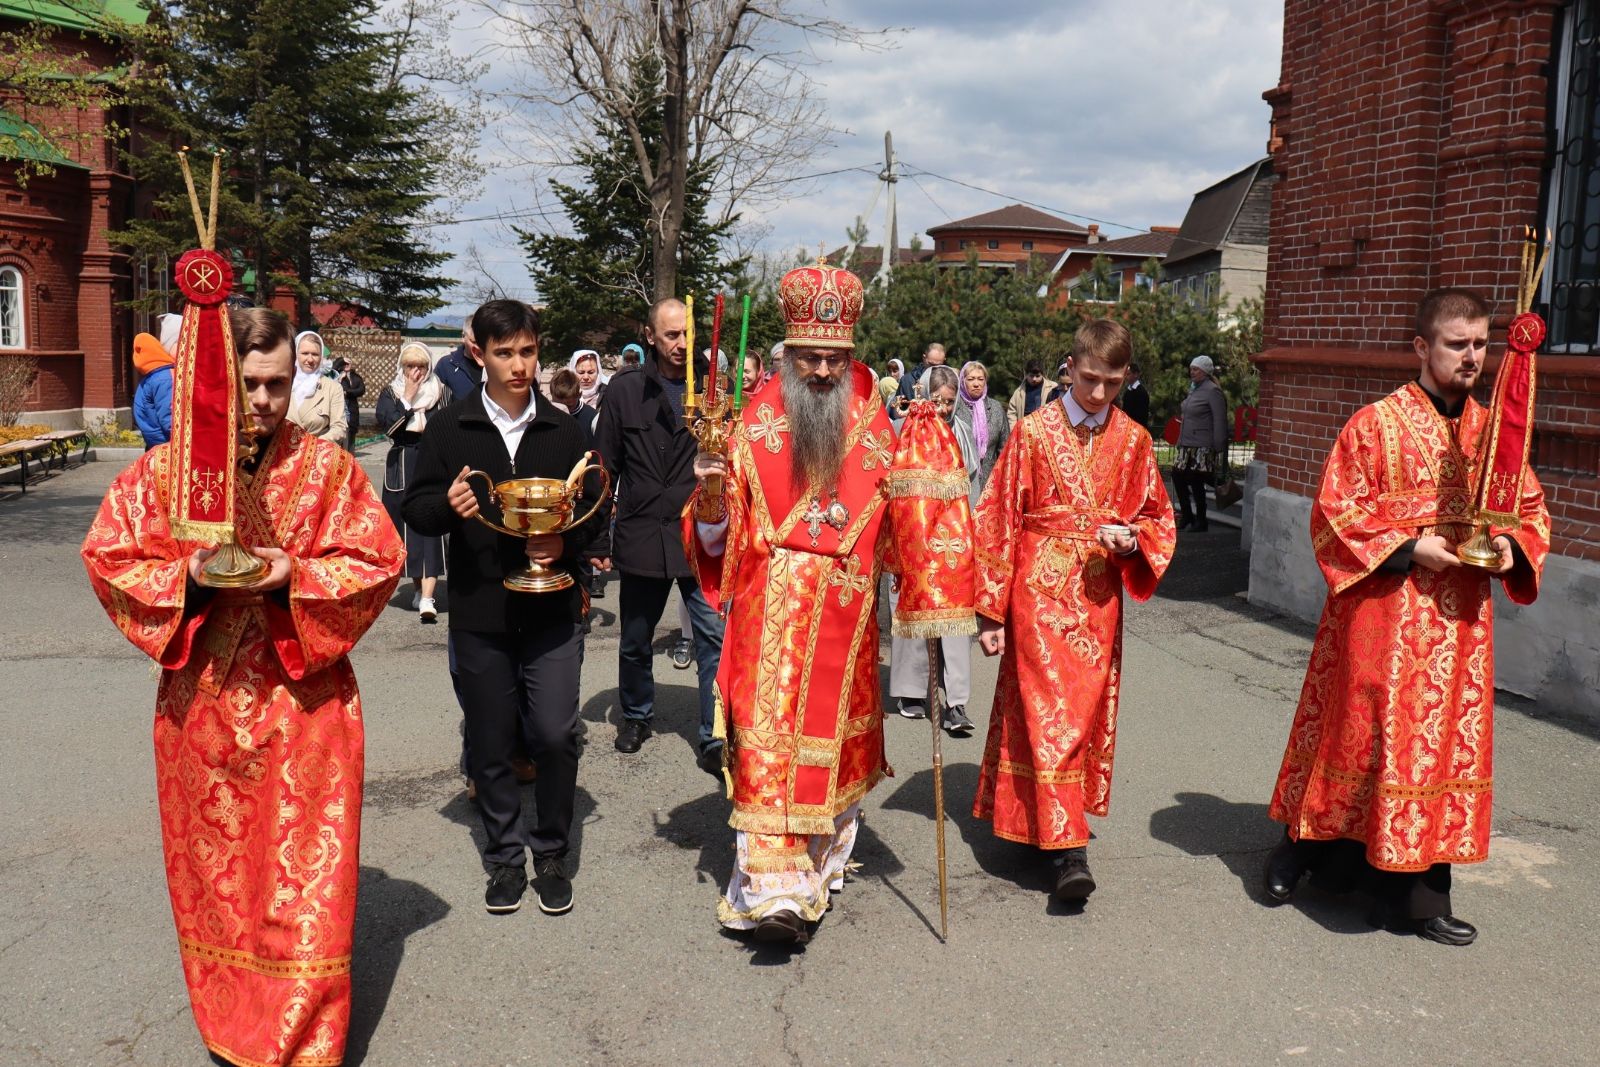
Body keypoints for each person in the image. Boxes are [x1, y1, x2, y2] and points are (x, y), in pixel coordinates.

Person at [82, 305, 403, 1067]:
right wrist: (185, 577)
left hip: (307, 708)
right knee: (221, 884)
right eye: (250, 384)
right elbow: (107, 554)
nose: (263, 400)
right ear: (218, 382)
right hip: (202, 706)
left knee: (303, 884)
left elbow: (379, 559)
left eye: (278, 384)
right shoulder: (167, 472)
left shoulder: (326, 469)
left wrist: (301, 573)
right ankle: (233, 1023)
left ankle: (305, 1039)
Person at [683, 261, 970, 943]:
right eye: (807, 357)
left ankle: (808, 874)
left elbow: (909, 522)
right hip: (766, 613)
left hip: (844, 618)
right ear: (787, 354)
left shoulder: (877, 421)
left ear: (850, 354)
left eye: (831, 359)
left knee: (825, 755)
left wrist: (929, 587)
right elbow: (715, 538)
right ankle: (774, 894)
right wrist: (714, 498)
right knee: (767, 749)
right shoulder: (751, 423)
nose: (818, 371)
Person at [1261, 287, 1549, 946]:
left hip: (1457, 630)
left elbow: (1529, 509)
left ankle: (1420, 898)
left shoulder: (1493, 433)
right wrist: (1409, 546)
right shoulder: (1376, 423)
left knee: (1435, 756)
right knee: (1354, 741)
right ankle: (1299, 850)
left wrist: (1510, 548)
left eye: (1481, 343)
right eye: (1458, 344)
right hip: (1381, 617)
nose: (1473, 357)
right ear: (1423, 347)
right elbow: (1334, 511)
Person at [402, 299, 607, 916]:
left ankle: (550, 850)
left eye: (528, 351)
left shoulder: (564, 427)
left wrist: (563, 542)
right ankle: (503, 859)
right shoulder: (449, 427)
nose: (519, 366)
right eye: (504, 353)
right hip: (479, 611)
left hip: (551, 611)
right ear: (478, 354)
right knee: (491, 741)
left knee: (553, 734)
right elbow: (416, 507)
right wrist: (450, 505)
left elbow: (594, 503)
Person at [973, 318, 1176, 904]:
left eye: (1113, 383)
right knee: (1045, 714)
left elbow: (1158, 517)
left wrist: (1133, 540)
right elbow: (998, 519)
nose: (1098, 394)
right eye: (1090, 379)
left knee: (1080, 717)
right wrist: (990, 611)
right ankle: (1069, 851)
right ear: (1071, 366)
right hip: (1036, 597)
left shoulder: (1135, 441)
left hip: (1096, 600)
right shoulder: (1032, 433)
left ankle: (1041, 824)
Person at [593, 298, 725, 774]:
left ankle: (714, 735)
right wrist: (596, 540)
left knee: (713, 636)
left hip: (700, 534)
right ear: (651, 337)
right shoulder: (626, 391)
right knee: (635, 636)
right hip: (643, 529)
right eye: (671, 335)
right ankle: (636, 715)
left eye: (687, 333)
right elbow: (604, 468)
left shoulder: (715, 388)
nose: (681, 344)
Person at [888, 364, 981, 735]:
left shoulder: (960, 432)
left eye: (948, 403)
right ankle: (911, 693)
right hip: (912, 539)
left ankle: (956, 701)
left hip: (952, 544)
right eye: (937, 401)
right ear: (924, 394)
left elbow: (971, 484)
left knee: (956, 624)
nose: (942, 410)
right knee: (909, 614)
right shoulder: (901, 429)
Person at [376, 342, 452, 623]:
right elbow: (391, 429)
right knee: (406, 530)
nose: (415, 372)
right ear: (402, 367)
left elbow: (448, 428)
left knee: (430, 525)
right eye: (410, 366)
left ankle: (429, 597)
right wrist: (407, 401)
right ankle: (419, 588)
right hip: (402, 463)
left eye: (420, 366)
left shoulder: (442, 392)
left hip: (430, 461)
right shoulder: (391, 393)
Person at [1172, 354, 1229, 532]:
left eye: (1196, 369)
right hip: (1187, 444)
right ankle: (1188, 514)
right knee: (1177, 475)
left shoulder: (1212, 391)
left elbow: (1219, 420)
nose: (1192, 372)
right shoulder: (1194, 389)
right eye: (1191, 368)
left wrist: (1219, 446)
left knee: (1196, 480)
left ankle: (1201, 520)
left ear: (1205, 371)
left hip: (1202, 445)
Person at [953, 359, 1009, 486]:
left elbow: (1004, 448)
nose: (976, 384)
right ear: (962, 381)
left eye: (980, 379)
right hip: (961, 479)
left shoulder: (995, 408)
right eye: (971, 379)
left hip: (990, 480)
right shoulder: (955, 408)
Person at [288, 330, 347, 443]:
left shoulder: (333, 388)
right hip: (282, 455)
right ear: (295, 354)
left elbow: (339, 427)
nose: (310, 359)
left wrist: (314, 445)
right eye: (305, 353)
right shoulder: (282, 384)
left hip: (316, 454)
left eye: (315, 354)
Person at [131, 322, 176, 449]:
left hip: (154, 441)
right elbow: (169, 416)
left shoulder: (150, 378)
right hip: (167, 442)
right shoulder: (164, 378)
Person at [435, 320, 482, 399]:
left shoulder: (494, 365)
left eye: (483, 341)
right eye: (474, 342)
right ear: (463, 337)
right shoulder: (446, 365)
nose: (478, 347)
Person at [1006, 359, 1056, 424]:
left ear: (1042, 374)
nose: (1034, 379)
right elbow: (1011, 414)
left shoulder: (1053, 388)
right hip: (1024, 429)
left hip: (1045, 428)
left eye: (1037, 376)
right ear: (1026, 375)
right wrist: (1014, 431)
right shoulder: (1018, 392)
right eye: (1031, 376)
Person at [332, 355, 366, 450]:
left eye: (348, 363)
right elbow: (333, 367)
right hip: (340, 406)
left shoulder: (356, 376)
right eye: (344, 363)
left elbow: (361, 390)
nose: (346, 365)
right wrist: (341, 360)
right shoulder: (336, 374)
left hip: (352, 407)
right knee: (342, 431)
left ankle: (351, 454)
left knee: (352, 432)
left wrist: (347, 391)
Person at [1120, 360, 1150, 431]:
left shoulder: (1141, 392)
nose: (1126, 377)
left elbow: (1142, 415)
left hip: (1137, 429)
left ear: (1136, 374)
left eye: (1128, 374)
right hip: (1127, 428)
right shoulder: (1128, 391)